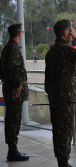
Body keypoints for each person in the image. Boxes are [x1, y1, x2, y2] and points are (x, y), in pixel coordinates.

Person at [45, 20, 76, 167]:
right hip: (66, 98)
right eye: (71, 31)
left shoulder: (51, 51)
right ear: (66, 33)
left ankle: (61, 160)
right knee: (66, 130)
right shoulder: (66, 49)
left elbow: (47, 79)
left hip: (54, 97)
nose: (73, 33)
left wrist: (51, 92)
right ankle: (64, 163)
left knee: (58, 129)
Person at [0, 23, 30, 162]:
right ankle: (12, 151)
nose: (22, 35)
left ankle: (13, 149)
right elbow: (12, 68)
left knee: (12, 119)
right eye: (21, 33)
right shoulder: (12, 48)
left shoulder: (8, 47)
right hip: (14, 91)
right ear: (19, 34)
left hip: (10, 89)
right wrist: (18, 84)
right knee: (13, 119)